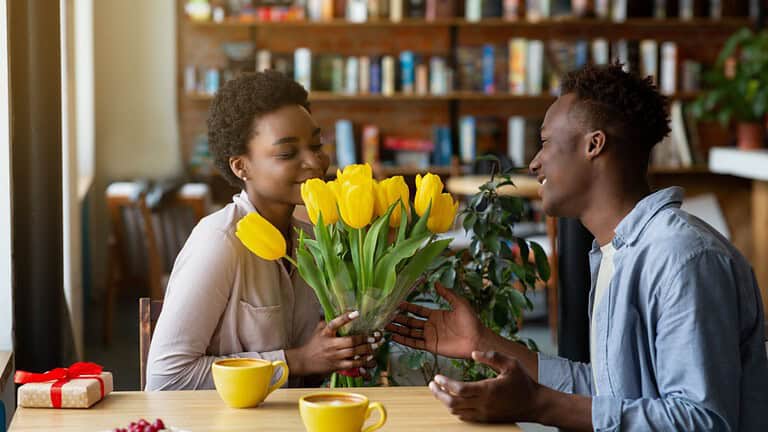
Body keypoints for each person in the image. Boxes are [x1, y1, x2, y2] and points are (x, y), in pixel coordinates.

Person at [387, 64, 768, 431]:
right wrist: (483, 342)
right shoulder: (618, 252)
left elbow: (701, 421)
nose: (534, 163)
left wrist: (541, 404)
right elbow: (613, 391)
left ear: (594, 144)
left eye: (546, 143)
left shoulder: (682, 258)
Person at [146, 71, 379, 390]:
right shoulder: (220, 241)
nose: (314, 162)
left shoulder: (314, 239)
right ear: (241, 166)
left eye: (316, 144)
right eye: (287, 153)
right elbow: (166, 379)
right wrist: (297, 360)